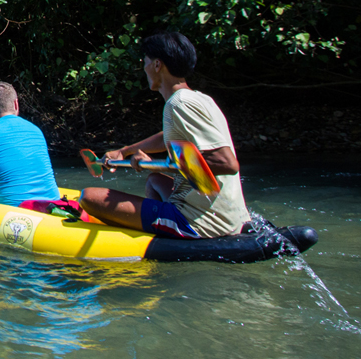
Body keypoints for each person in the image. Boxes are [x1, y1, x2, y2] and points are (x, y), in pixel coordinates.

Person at [79, 31, 251, 239]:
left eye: (146, 62)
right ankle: (161, 227)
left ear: (157, 65)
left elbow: (226, 163)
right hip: (225, 213)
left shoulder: (180, 103)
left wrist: (157, 161)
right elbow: (169, 136)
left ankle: (172, 232)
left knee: (89, 197)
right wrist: (124, 152)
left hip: (203, 222)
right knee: (154, 181)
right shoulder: (199, 99)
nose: (144, 68)